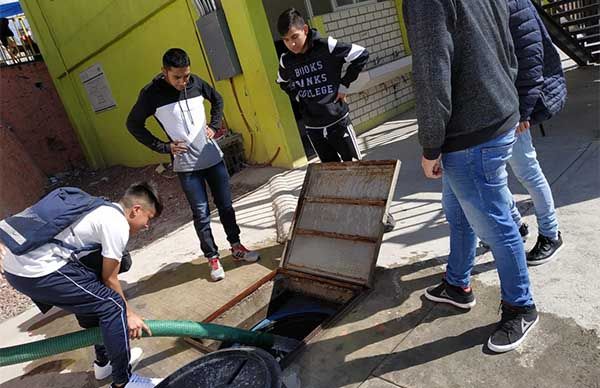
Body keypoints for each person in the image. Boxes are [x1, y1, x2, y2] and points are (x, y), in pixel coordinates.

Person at [403, 0, 538, 352]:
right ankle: (457, 283)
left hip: (471, 133)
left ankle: (520, 306)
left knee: (495, 224)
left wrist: (430, 146)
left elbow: (432, 71)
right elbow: (507, 44)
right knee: (458, 210)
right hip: (491, 116)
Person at [0, 182, 164, 388]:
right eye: (148, 218)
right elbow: (110, 279)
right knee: (113, 305)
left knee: (95, 291)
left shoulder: (100, 207)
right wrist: (130, 314)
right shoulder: (117, 225)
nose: (147, 225)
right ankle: (124, 381)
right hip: (36, 270)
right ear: (136, 210)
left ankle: (104, 364)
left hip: (19, 266)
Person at [127, 48, 260, 282]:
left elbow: (217, 99)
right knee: (201, 213)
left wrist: (215, 124)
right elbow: (134, 124)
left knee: (226, 206)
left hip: (212, 158)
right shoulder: (151, 94)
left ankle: (237, 246)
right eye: (177, 77)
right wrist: (164, 147)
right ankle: (213, 258)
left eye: (186, 76)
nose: (183, 81)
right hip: (187, 166)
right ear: (164, 72)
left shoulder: (197, 83)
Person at [275, 8, 396, 232]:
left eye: (294, 37)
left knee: (357, 170)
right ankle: (351, 215)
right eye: (285, 40)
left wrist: (344, 84)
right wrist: (299, 95)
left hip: (337, 122)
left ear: (304, 29)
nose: (291, 44)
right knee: (333, 174)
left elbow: (361, 54)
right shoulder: (286, 60)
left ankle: (381, 214)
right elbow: (282, 82)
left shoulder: (326, 46)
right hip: (313, 128)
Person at [507, 0, 566, 266]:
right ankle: (515, 225)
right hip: (493, 105)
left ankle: (551, 233)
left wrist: (523, 112)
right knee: (490, 175)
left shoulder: (515, 4)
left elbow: (531, 60)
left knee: (526, 170)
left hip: (513, 108)